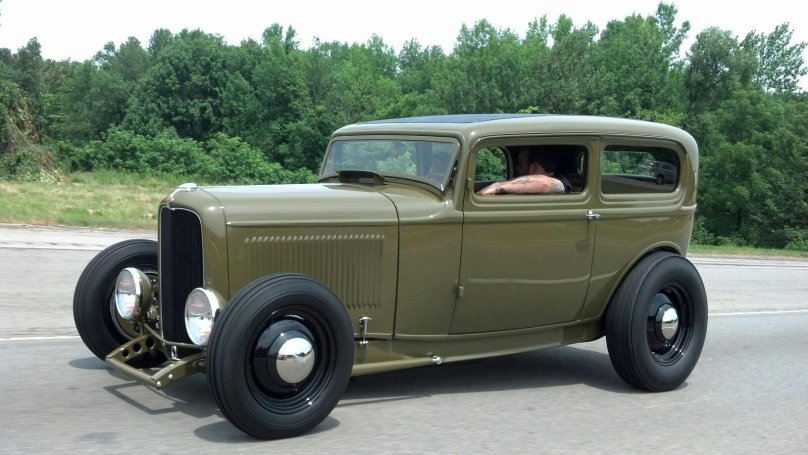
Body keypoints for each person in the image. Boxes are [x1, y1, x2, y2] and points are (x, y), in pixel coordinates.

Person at [477, 148, 571, 195]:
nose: (517, 168)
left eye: (521, 164)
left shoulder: (561, 182)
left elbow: (545, 183)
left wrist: (498, 186)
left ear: (534, 167)